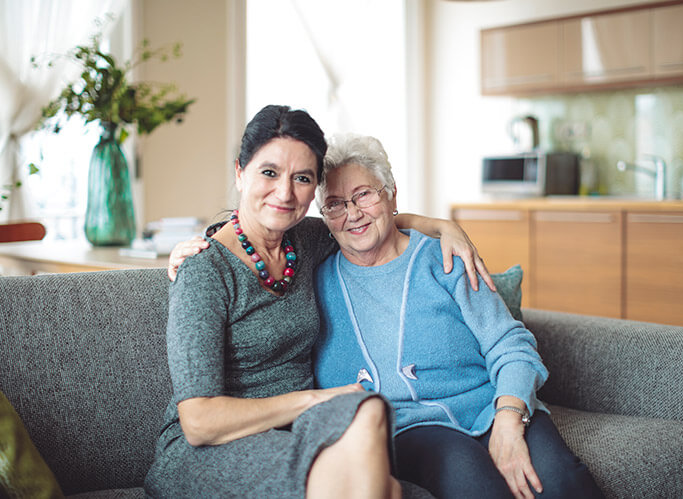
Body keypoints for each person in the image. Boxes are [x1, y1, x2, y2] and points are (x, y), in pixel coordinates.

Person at [147, 105, 494, 498]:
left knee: (369, 408)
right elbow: (199, 420)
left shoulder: (305, 240)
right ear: (240, 173)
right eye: (269, 172)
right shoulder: (205, 270)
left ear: (314, 191)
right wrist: (317, 398)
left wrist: (443, 226)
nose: (285, 192)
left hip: (300, 428)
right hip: (213, 447)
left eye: (302, 178)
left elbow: (370, 217)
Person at [311, 133, 603, 499]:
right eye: (335, 204)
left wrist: (509, 420)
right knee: (473, 482)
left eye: (364, 195)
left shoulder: (443, 258)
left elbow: (509, 343)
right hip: (410, 429)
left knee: (560, 483)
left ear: (391, 193)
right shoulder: (317, 280)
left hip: (491, 404)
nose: (352, 214)